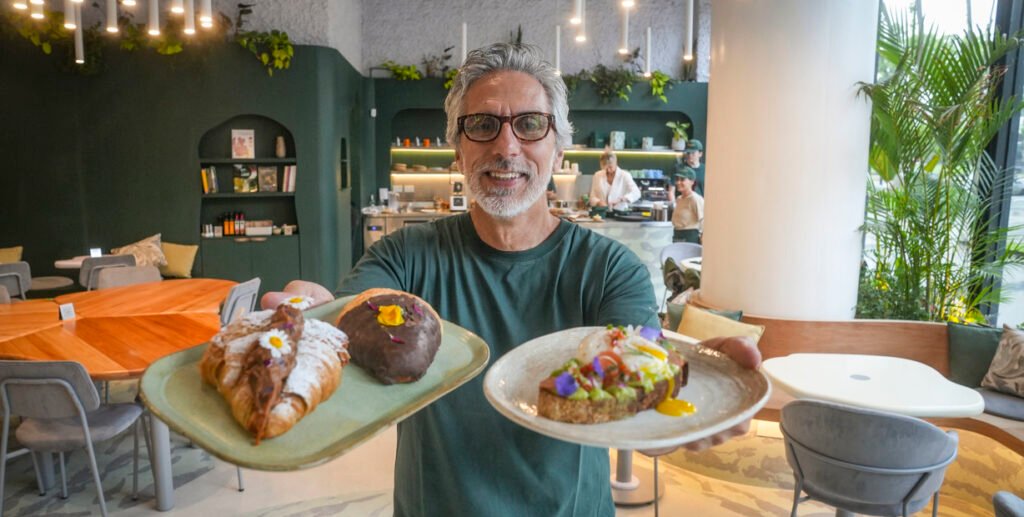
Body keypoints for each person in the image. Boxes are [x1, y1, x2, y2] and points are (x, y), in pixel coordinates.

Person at [262, 43, 759, 517]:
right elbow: (350, 314)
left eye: (529, 125)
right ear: (458, 150)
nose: (506, 146)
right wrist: (318, 317)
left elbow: (640, 381)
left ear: (560, 150)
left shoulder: (609, 270)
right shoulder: (405, 256)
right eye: (482, 125)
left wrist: (689, 407)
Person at [670, 167, 704, 243]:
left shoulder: (695, 199)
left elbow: (704, 221)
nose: (678, 182)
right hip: (677, 236)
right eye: (677, 179)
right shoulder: (679, 199)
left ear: (692, 182)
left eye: (682, 179)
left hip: (690, 239)